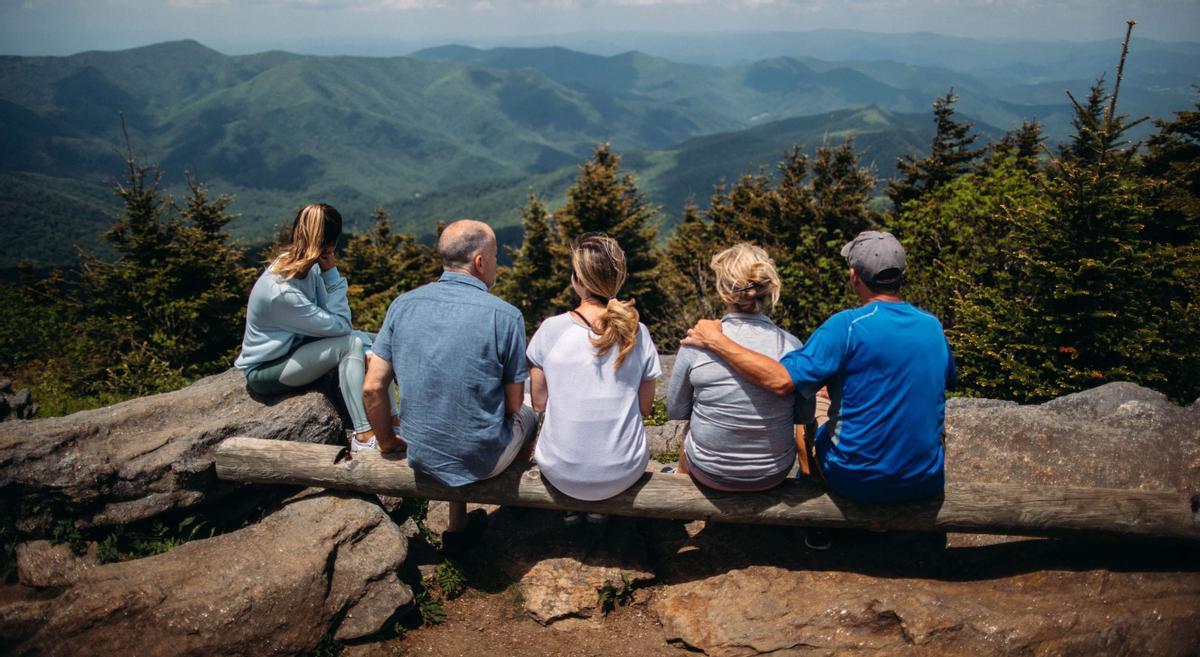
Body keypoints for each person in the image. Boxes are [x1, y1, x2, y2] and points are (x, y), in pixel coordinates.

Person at [682, 231, 955, 545]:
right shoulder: (932, 325)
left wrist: (717, 341)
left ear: (854, 276)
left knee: (812, 408)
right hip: (924, 479)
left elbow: (781, 380)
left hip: (856, 479)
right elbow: (942, 380)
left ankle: (818, 521)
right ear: (901, 275)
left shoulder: (846, 326)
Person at [362, 219, 537, 548]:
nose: (497, 264)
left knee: (451, 407)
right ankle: (520, 507)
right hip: (483, 461)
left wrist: (386, 441)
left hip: (421, 452)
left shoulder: (403, 305)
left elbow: (372, 387)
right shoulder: (506, 315)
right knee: (530, 411)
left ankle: (457, 526)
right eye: (496, 256)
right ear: (480, 262)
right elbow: (514, 405)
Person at [235, 203, 397, 451]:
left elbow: (331, 319)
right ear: (330, 245)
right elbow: (342, 326)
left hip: (295, 349)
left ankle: (393, 422)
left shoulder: (301, 268)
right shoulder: (282, 292)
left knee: (379, 341)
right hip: (267, 369)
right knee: (351, 345)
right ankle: (363, 436)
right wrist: (332, 272)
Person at [526, 233, 661, 525]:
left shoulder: (551, 330)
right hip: (623, 470)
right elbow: (645, 407)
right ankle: (601, 509)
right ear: (617, 280)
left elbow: (539, 403)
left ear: (578, 281)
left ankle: (572, 507)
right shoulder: (638, 332)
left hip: (561, 472)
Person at [667, 243, 814, 492]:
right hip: (773, 473)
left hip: (709, 472)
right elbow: (803, 415)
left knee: (691, 424)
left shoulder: (697, 342)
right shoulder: (792, 345)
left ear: (723, 292)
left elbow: (676, 409)